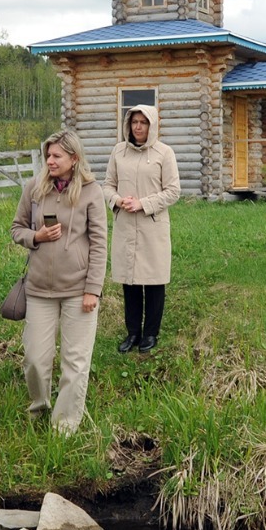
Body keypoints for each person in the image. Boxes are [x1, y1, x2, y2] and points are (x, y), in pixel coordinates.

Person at [11, 129, 107, 435]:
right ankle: (39, 408)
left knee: (75, 362)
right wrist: (35, 236)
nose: (50, 161)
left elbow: (99, 243)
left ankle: (65, 426)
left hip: (78, 290)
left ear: (74, 159)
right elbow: (16, 228)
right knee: (35, 360)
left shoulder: (92, 192)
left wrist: (93, 289)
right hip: (39, 289)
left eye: (56, 156)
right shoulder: (34, 189)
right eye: (47, 156)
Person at [102, 104, 180, 354]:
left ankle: (150, 333)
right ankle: (133, 332)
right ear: (128, 124)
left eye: (143, 122)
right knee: (130, 281)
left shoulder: (164, 153)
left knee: (154, 281)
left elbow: (173, 191)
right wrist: (117, 200)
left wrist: (143, 204)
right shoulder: (118, 151)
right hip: (126, 225)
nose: (138, 127)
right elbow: (107, 185)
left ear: (152, 125)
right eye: (134, 122)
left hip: (152, 226)